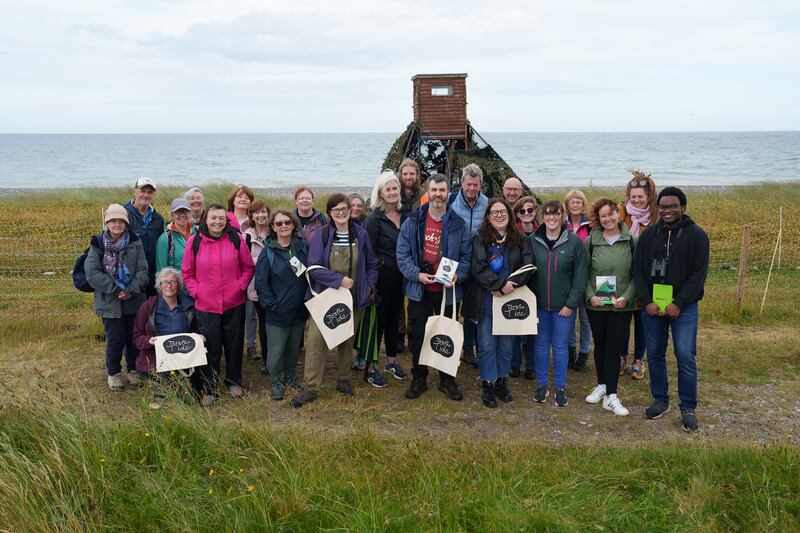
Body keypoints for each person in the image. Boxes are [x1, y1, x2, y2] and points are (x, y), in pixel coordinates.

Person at [291, 194, 379, 407]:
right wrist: (338, 280)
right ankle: (310, 387)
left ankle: (344, 379)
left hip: (353, 298)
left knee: (346, 340)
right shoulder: (321, 235)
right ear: (330, 213)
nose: (341, 213)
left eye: (344, 208)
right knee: (316, 342)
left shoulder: (361, 234)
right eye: (336, 210)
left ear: (350, 210)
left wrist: (368, 286)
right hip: (325, 297)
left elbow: (372, 263)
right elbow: (313, 268)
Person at [632, 186, 709, 432]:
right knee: (654, 354)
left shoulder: (697, 235)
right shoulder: (648, 236)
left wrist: (679, 303)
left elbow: (699, 275)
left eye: (673, 206)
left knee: (685, 355)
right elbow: (638, 271)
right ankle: (661, 399)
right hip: (653, 306)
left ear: (683, 207)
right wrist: (646, 300)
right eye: (663, 206)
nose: (667, 210)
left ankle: (688, 407)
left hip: (683, 308)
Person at [397, 174, 472, 401]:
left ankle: (446, 379)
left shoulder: (458, 224)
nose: (438, 194)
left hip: (447, 294)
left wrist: (458, 276)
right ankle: (419, 377)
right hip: (420, 290)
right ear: (427, 192)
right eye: (434, 190)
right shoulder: (413, 221)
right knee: (418, 335)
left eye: (442, 190)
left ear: (448, 193)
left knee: (445, 336)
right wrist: (416, 275)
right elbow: (402, 254)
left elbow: (467, 256)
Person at [182, 203, 254, 405]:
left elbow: (248, 267)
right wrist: (198, 292)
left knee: (234, 345)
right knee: (210, 348)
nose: (217, 222)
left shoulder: (235, 239)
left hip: (234, 302)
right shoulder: (194, 241)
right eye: (213, 218)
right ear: (206, 219)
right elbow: (187, 273)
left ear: (226, 220)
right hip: (206, 305)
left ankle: (233, 381)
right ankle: (210, 387)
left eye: (221, 218)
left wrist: (240, 287)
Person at [462, 198, 531, 408]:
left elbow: (528, 265)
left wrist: (512, 284)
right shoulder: (480, 239)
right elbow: (478, 268)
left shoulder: (519, 239)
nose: (499, 216)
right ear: (488, 217)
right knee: (486, 345)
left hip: (511, 299)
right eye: (494, 213)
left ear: (509, 216)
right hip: (487, 299)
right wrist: (499, 285)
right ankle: (488, 383)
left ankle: (502, 380)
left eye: (503, 212)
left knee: (507, 346)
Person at [524, 200, 587, 407]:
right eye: (548, 214)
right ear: (542, 217)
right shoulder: (533, 240)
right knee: (541, 345)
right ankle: (542, 385)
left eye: (556, 214)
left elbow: (580, 277)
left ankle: (560, 387)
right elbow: (526, 272)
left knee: (560, 346)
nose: (551, 218)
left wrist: (571, 304)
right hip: (539, 306)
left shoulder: (574, 242)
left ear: (562, 216)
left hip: (563, 307)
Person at [85, 203, 149, 390]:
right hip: (110, 301)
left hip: (133, 299)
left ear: (126, 223)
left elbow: (143, 269)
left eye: (121, 221)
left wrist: (130, 290)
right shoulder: (97, 243)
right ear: (107, 222)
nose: (117, 224)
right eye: (113, 220)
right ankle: (113, 374)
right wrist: (115, 289)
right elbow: (92, 273)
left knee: (133, 337)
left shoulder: (135, 241)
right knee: (114, 338)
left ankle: (134, 370)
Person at [583, 198, 636, 416]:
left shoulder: (631, 241)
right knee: (601, 345)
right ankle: (602, 385)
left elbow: (637, 274)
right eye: (603, 216)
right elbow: (583, 273)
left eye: (611, 214)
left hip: (621, 305)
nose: (608, 219)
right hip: (597, 304)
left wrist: (627, 296)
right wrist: (590, 296)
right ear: (598, 219)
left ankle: (611, 396)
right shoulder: (591, 241)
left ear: (618, 213)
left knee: (614, 348)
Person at [254, 209, 309, 401]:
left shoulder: (302, 247)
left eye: (287, 222)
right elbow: (261, 283)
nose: (283, 226)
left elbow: (310, 273)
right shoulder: (267, 252)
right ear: (272, 227)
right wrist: (272, 306)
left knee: (294, 348)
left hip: (299, 310)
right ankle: (276, 381)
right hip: (277, 313)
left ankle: (291, 375)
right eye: (279, 223)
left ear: (294, 225)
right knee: (276, 351)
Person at [364, 170, 408, 382]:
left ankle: (391, 361)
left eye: (395, 188)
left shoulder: (406, 214)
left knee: (394, 321)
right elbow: (368, 253)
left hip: (400, 279)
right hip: (380, 280)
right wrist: (370, 285)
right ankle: (370, 367)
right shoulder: (374, 219)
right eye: (388, 189)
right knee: (377, 323)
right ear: (380, 193)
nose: (392, 192)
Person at [132, 267, 199, 402]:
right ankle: (162, 394)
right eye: (165, 282)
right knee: (165, 384)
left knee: (190, 396)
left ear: (179, 285)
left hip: (184, 356)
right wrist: (149, 340)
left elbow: (198, 331)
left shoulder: (189, 307)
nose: (169, 285)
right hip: (157, 358)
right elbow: (137, 337)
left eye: (173, 282)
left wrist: (198, 337)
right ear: (159, 286)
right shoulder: (147, 307)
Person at [618, 169, 659, 379]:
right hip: (624, 274)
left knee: (641, 319)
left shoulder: (656, 217)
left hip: (645, 275)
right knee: (624, 317)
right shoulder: (622, 212)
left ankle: (638, 359)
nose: (637, 200)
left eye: (640, 197)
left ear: (648, 197)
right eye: (633, 196)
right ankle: (622, 356)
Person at [448, 163, 489, 368]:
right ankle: (450, 347)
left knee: (474, 309)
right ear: (461, 183)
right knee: (453, 308)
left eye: (476, 184)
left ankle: (470, 348)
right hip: (455, 262)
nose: (472, 188)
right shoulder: (451, 201)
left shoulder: (487, 204)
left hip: (478, 264)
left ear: (480, 184)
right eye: (468, 184)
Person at [510, 195, 540, 379]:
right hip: (518, 283)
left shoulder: (542, 231)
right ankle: (514, 364)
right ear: (517, 214)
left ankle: (531, 365)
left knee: (533, 328)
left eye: (530, 210)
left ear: (535, 211)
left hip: (538, 284)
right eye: (522, 211)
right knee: (515, 325)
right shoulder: (513, 232)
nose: (526, 213)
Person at [564, 189, 592, 371]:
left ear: (583, 205)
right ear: (567, 205)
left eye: (578, 202)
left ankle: (584, 352)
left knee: (585, 317)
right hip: (568, 277)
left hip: (587, 276)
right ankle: (570, 350)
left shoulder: (591, 225)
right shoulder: (561, 224)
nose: (575, 205)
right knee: (569, 315)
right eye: (572, 202)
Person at [124, 177, 165, 296]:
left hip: (152, 276)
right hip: (131, 275)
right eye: (142, 191)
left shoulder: (158, 219)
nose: (145, 195)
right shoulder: (124, 214)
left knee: (150, 311)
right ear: (135, 191)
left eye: (150, 192)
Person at [243, 200, 271, 366]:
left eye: (263, 212)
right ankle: (266, 360)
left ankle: (276, 357)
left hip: (276, 287)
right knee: (262, 321)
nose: (261, 215)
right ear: (251, 216)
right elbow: (243, 263)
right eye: (257, 212)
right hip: (256, 287)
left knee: (273, 323)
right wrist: (262, 261)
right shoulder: (246, 237)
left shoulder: (275, 232)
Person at [155, 197, 195, 271]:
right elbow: (161, 270)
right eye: (178, 212)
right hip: (177, 282)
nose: (182, 215)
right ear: (172, 215)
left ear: (190, 213)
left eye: (185, 211)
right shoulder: (165, 239)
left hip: (198, 282)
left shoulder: (198, 233)